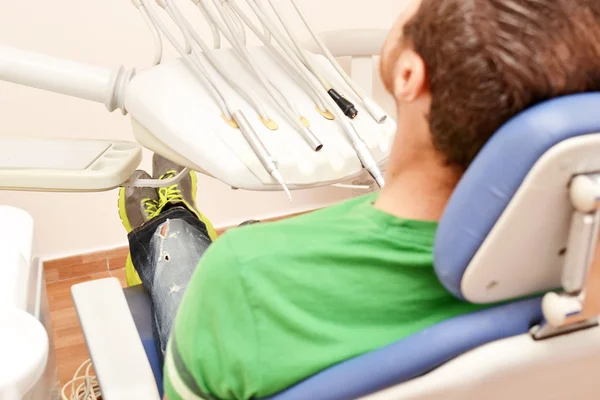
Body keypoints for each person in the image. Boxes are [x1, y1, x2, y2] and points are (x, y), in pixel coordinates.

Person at [118, 0, 600, 399]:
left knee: (186, 258)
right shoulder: (585, 270)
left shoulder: (245, 275)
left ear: (411, 76)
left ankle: (169, 223)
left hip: (238, 303)